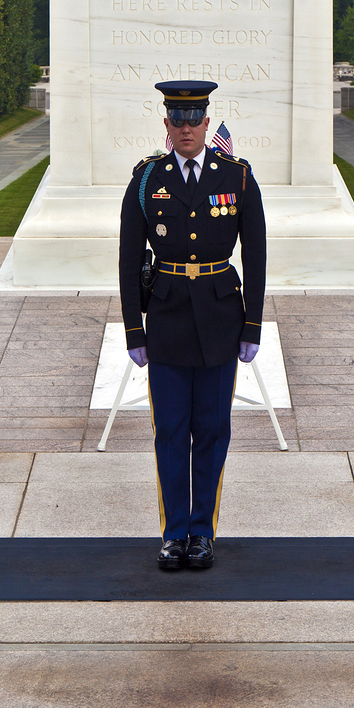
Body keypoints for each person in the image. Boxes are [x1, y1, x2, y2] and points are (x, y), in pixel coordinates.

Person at [118, 81, 267, 570]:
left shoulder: (238, 178)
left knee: (212, 430)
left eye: (195, 118)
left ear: (208, 123)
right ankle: (173, 533)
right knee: (169, 432)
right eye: (177, 120)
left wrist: (252, 325)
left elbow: (257, 256)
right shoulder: (147, 180)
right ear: (166, 126)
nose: (186, 128)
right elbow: (126, 260)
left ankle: (202, 532)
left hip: (222, 321)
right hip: (166, 320)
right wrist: (133, 330)